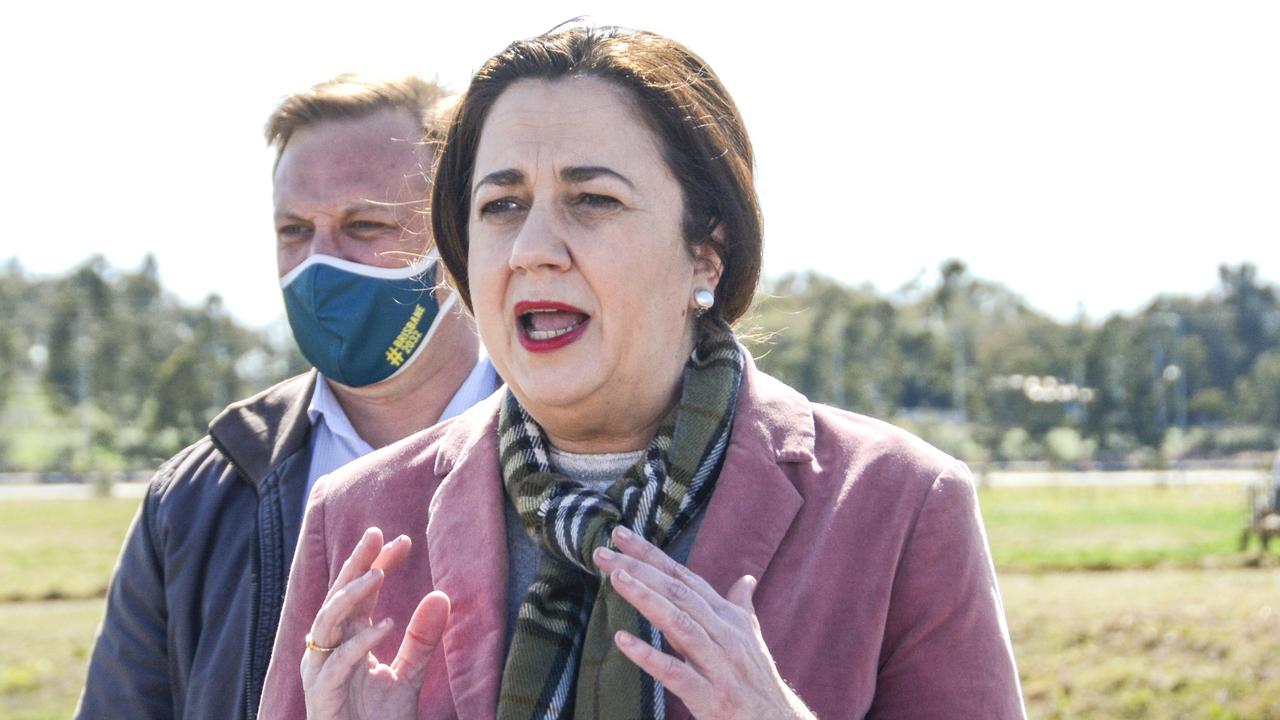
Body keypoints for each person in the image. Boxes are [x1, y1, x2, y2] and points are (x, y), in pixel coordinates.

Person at [260, 25, 1026, 720]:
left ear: (707, 251)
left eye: (592, 200)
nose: (534, 246)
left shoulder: (899, 505)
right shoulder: (357, 516)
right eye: (500, 205)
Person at [75, 74, 500, 720]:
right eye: (294, 231)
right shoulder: (195, 503)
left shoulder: (577, 455)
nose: (318, 265)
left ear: (456, 233)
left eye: (363, 225)